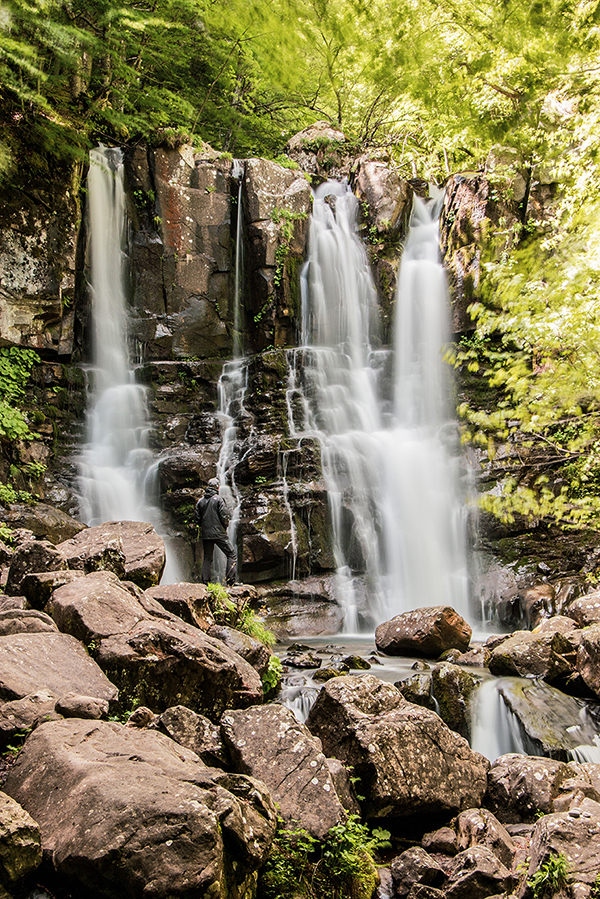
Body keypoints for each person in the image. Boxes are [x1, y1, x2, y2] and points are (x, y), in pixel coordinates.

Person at [194, 477, 238, 585]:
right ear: (218, 487)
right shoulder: (218, 499)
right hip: (219, 533)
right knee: (231, 554)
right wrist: (225, 527)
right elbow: (224, 516)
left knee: (207, 557)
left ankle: (206, 583)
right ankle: (230, 581)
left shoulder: (200, 502)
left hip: (206, 534)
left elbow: (197, 520)